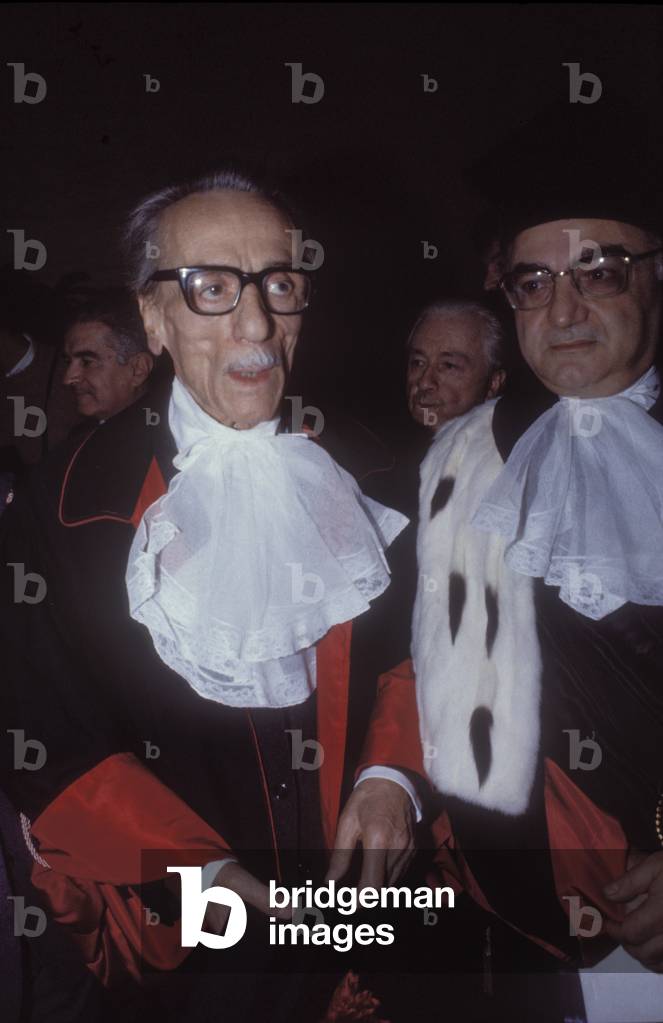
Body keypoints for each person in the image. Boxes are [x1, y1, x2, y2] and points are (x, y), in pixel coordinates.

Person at [0, 169, 423, 1022]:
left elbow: (424, 650)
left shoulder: (373, 468)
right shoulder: (69, 501)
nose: (257, 322)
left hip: (365, 933)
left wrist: (391, 777)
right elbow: (38, 724)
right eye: (211, 288)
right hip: (186, 950)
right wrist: (200, 872)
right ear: (153, 318)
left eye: (280, 283)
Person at [399, 100, 663, 1019]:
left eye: (601, 269)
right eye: (532, 280)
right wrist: (384, 782)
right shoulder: (460, 458)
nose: (564, 308)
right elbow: (419, 654)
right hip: (514, 916)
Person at [405, 299, 506, 433]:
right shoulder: (382, 446)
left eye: (448, 366)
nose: (424, 383)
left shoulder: (512, 452)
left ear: (493, 383)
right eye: (418, 362)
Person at [62, 291, 154, 422]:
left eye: (87, 362)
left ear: (138, 370)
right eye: (68, 361)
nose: (67, 379)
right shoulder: (80, 437)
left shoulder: (165, 439)